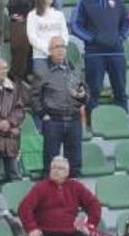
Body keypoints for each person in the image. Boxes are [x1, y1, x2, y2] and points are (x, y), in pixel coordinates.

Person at [70, 0, 129, 112]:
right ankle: (94, 127)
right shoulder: (84, 2)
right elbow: (75, 25)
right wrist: (93, 39)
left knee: (120, 91)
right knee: (93, 92)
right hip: (94, 54)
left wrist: (120, 38)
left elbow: (126, 22)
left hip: (116, 53)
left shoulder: (117, 0)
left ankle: (123, 123)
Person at [31, 36, 87, 176]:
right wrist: (43, 115)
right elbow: (34, 96)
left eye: (63, 46)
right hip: (53, 121)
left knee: (74, 163)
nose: (61, 49)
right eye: (57, 47)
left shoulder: (74, 70)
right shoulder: (43, 72)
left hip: (74, 120)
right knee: (51, 162)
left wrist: (81, 101)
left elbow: (83, 92)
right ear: (50, 51)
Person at [19, 156, 101, 236]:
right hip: (46, 232)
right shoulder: (40, 187)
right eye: (53, 167)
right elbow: (25, 207)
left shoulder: (76, 186)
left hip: (71, 231)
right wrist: (32, 228)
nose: (56, 170)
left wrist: (90, 224)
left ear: (67, 172)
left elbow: (94, 204)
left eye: (60, 168)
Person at [9, 0, 45, 84]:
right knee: (21, 53)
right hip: (21, 17)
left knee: (34, 53)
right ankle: (15, 85)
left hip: (37, 18)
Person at [27, 0, 69, 76]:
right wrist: (49, 51)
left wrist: (59, 50)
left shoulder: (59, 14)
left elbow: (65, 35)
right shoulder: (32, 15)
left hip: (59, 57)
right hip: (40, 57)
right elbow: (32, 38)